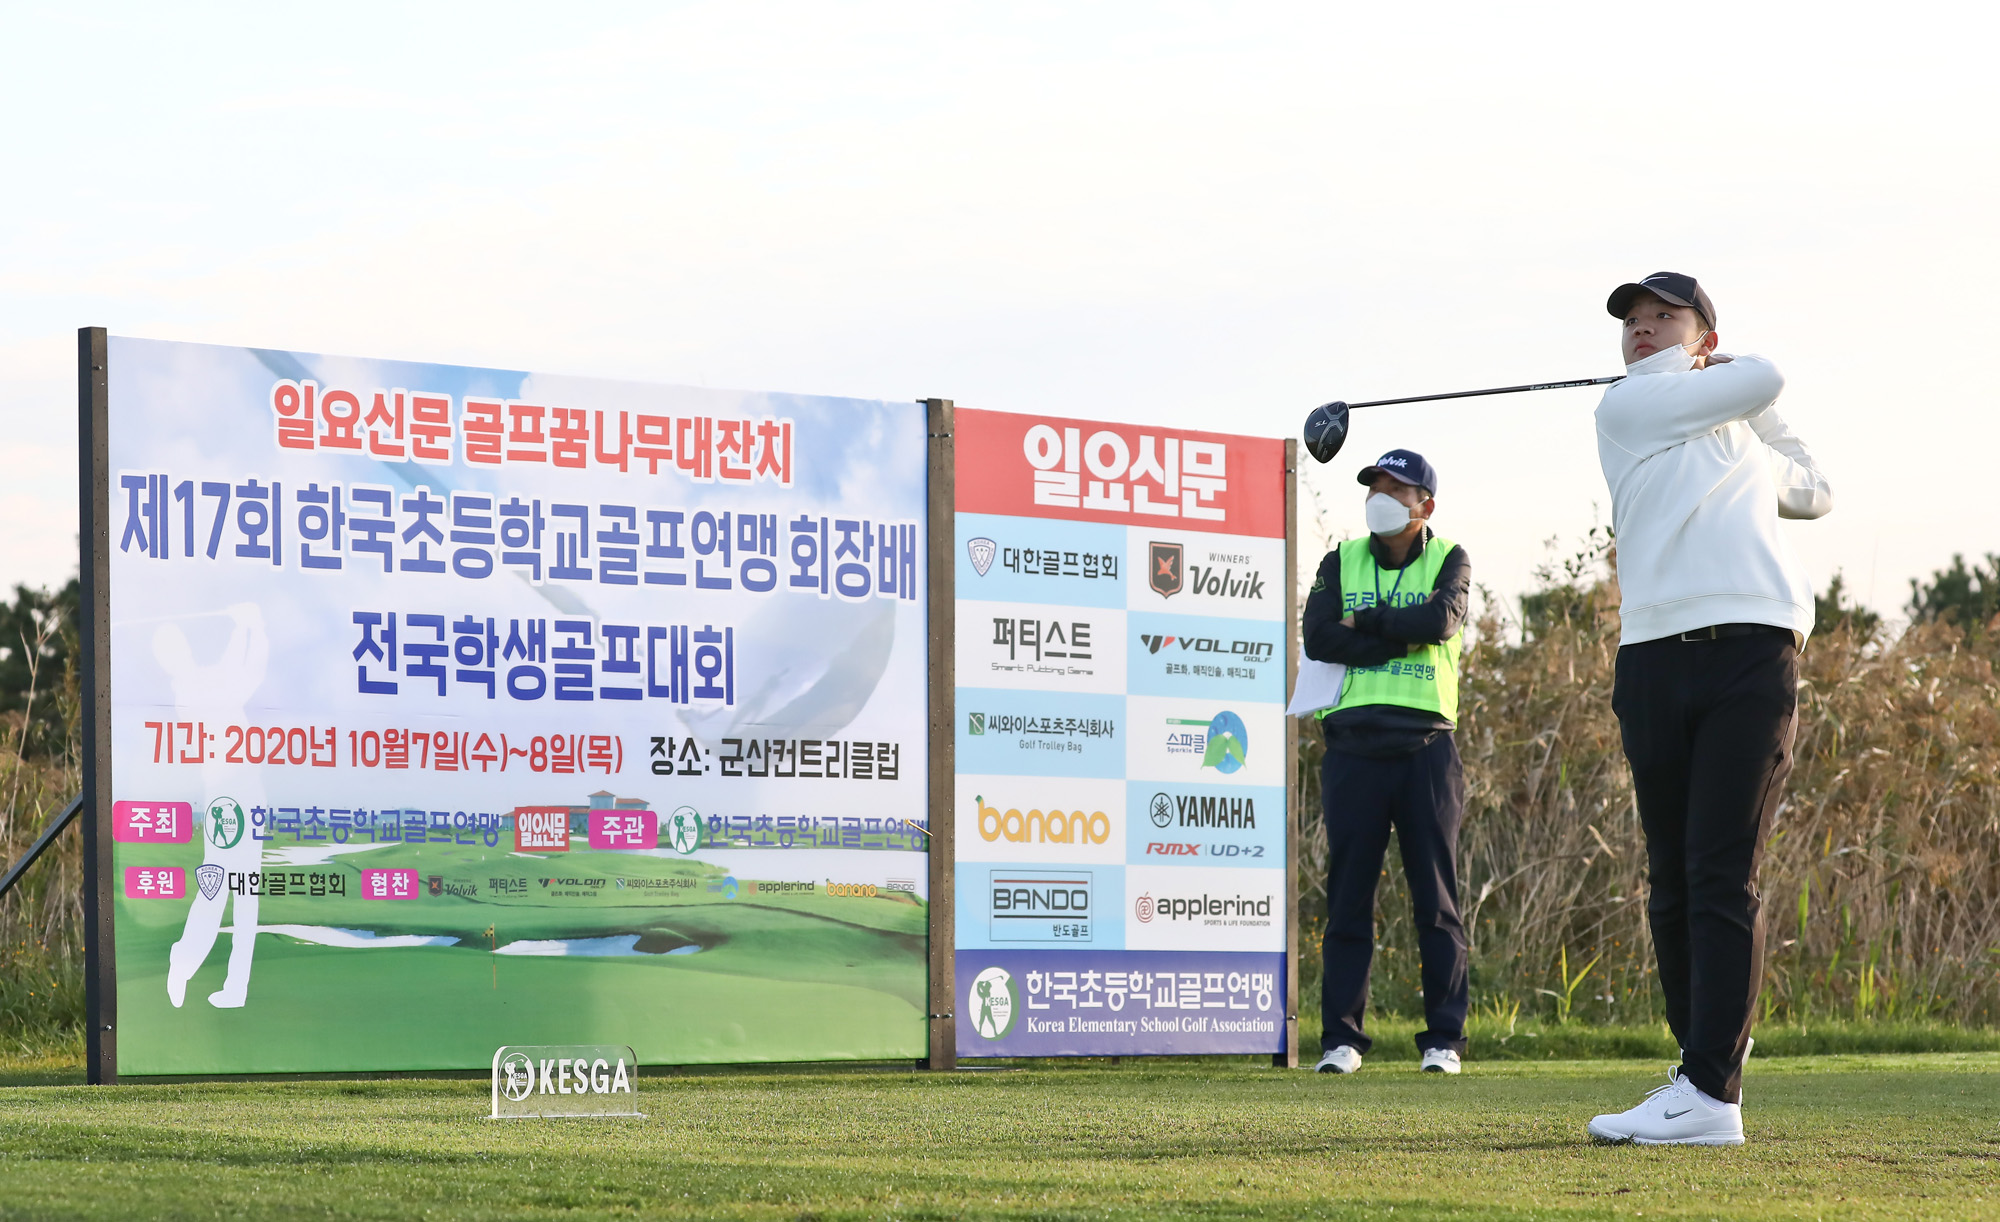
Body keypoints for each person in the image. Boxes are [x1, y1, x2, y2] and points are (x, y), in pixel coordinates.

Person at [1586, 272, 1833, 1145]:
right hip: (1653, 656)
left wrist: (1744, 412)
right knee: (1674, 881)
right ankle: (1704, 1061)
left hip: (1750, 654)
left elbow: (1813, 488)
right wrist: (1713, 375)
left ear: (1703, 336)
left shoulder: (1728, 434)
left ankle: (1710, 1091)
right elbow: (1760, 374)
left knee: (1722, 870)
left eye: (1665, 317)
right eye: (1633, 322)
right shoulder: (1624, 407)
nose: (1642, 331)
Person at [1301, 449, 1472, 1075]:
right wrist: (1398, 636)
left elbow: (1440, 619)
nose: (1381, 497)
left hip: (1427, 749)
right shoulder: (1339, 560)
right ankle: (1341, 1041)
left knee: (1436, 903)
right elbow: (1320, 636)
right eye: (1374, 486)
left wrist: (1367, 623)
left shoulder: (1449, 556)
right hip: (1351, 749)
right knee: (1347, 901)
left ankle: (1443, 1042)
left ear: (1424, 505)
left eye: (1396, 490)